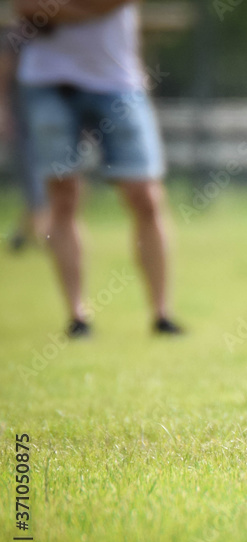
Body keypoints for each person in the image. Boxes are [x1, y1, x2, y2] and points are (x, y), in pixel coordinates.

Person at [14, 0, 182, 337]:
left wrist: (61, 11)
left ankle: (162, 314)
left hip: (118, 81)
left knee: (145, 195)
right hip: (48, 83)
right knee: (63, 196)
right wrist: (89, 9)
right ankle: (78, 317)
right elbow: (25, 5)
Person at [1, 24, 48, 252]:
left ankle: (27, 233)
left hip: (47, 119)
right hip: (23, 120)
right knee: (33, 178)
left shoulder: (54, 31)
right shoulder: (15, 37)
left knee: (49, 178)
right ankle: (38, 233)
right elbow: (4, 70)